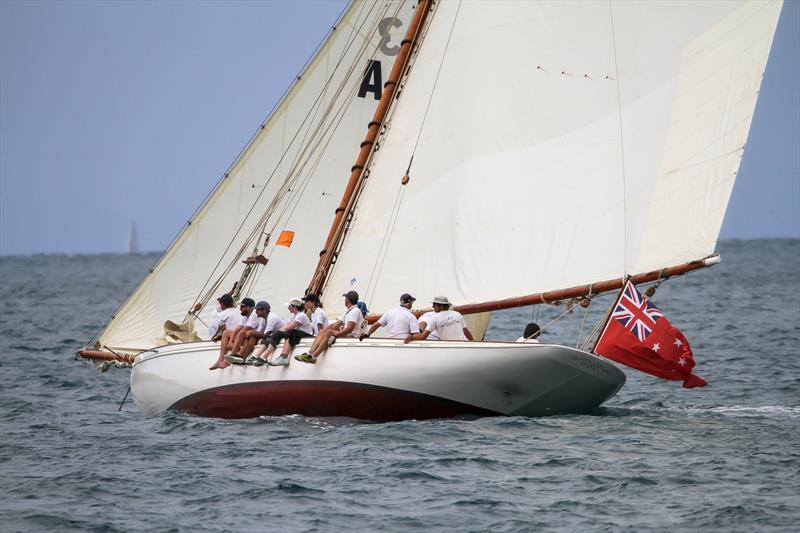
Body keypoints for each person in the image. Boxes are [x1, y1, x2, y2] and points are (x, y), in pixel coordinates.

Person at [295, 290, 363, 364]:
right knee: (322, 331)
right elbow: (335, 324)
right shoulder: (347, 312)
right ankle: (308, 353)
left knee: (329, 332)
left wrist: (335, 334)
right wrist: (323, 332)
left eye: (345, 298)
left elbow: (350, 329)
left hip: (352, 336)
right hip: (347, 334)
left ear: (347, 299)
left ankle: (314, 356)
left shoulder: (355, 311)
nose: (345, 300)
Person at [254, 299, 314, 367]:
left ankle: (283, 357)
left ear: (293, 307)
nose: (288, 308)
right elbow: (285, 326)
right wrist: (275, 333)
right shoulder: (293, 316)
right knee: (274, 333)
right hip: (297, 333)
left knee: (288, 332)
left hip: (306, 334)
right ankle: (263, 357)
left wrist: (277, 332)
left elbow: (290, 327)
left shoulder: (301, 315)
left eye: (289, 307)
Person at [210, 297, 254, 370]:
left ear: (222, 304)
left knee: (216, 337)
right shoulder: (241, 313)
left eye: (242, 306)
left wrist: (214, 339)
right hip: (238, 334)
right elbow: (238, 329)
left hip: (241, 336)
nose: (240, 308)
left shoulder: (221, 315)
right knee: (226, 333)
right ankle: (223, 359)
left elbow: (220, 330)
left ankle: (221, 359)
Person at [404, 296, 473, 343]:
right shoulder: (457, 314)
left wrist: (411, 337)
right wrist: (473, 342)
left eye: (434, 304)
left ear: (440, 306)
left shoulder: (434, 318)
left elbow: (423, 336)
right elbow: (466, 332)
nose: (432, 307)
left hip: (450, 347)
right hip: (464, 343)